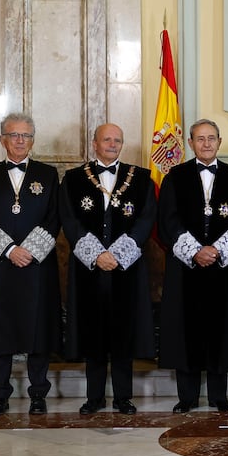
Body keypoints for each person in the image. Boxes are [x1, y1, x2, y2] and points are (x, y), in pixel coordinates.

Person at [157, 119, 228, 413]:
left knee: (221, 328)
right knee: (184, 327)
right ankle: (186, 397)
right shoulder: (175, 177)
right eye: (200, 139)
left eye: (211, 138)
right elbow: (168, 220)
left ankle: (219, 396)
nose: (206, 144)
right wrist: (194, 251)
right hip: (184, 267)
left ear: (219, 141)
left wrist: (216, 250)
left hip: (222, 269)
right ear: (190, 143)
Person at [0, 112, 61, 416]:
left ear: (33, 140)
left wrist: (30, 250)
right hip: (2, 266)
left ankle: (38, 394)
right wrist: (9, 250)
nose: (20, 140)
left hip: (37, 265)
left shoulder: (48, 175)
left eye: (26, 135)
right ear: (2, 139)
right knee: (1, 330)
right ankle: (0, 395)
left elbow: (55, 216)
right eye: (14, 135)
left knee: (38, 331)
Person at [60, 123, 156, 415]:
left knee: (123, 331)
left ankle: (123, 397)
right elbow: (69, 219)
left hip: (126, 268)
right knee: (93, 331)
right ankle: (94, 397)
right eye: (107, 140)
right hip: (89, 268)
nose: (112, 144)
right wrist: (96, 254)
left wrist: (117, 253)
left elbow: (146, 219)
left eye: (117, 140)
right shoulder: (74, 179)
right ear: (94, 143)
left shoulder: (140, 179)